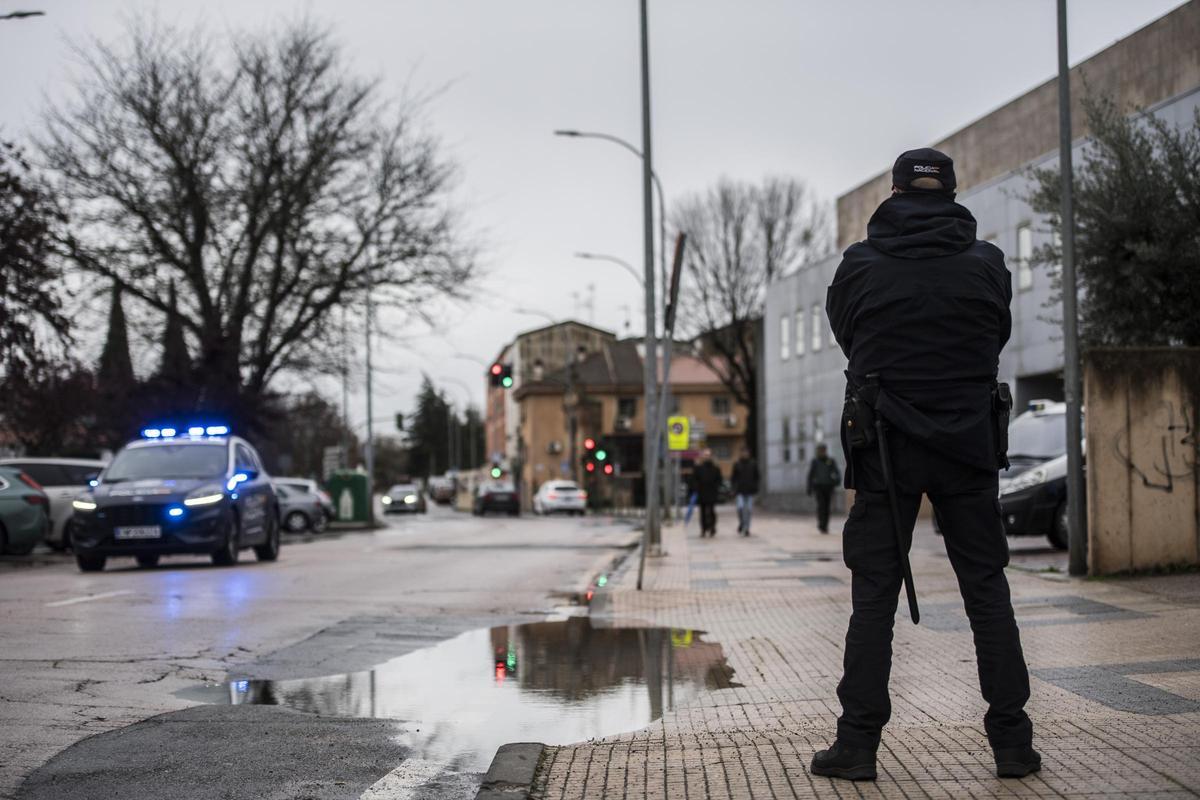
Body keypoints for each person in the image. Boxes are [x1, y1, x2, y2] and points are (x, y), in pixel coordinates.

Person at [811, 148, 1038, 781]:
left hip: (886, 444)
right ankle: (1013, 745)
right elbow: (996, 335)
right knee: (986, 590)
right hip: (968, 443)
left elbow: (847, 337)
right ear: (952, 195)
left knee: (873, 598)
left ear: (894, 193)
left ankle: (857, 745)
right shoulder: (987, 263)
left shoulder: (858, 265)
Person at [806, 444, 840, 533]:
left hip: (828, 487)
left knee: (827, 507)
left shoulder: (830, 461)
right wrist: (809, 488)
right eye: (820, 450)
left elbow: (836, 472)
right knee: (821, 506)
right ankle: (821, 524)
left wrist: (836, 481)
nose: (821, 452)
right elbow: (810, 475)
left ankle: (825, 525)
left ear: (825, 450)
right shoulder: (815, 461)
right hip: (818, 487)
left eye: (823, 450)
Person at [691, 449, 723, 538]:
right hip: (702, 492)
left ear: (711, 456)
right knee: (702, 512)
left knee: (711, 510)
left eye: (708, 455)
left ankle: (712, 527)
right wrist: (696, 488)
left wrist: (716, 488)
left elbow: (719, 480)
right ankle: (703, 529)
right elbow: (694, 479)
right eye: (705, 455)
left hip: (712, 492)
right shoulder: (698, 468)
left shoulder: (715, 468)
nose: (707, 457)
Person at [730, 447, 760, 536]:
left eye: (746, 452)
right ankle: (742, 523)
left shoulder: (753, 464)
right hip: (740, 491)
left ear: (748, 453)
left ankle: (746, 528)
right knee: (740, 508)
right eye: (743, 452)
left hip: (750, 491)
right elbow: (733, 478)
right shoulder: (737, 464)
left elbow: (757, 476)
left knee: (749, 510)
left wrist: (755, 486)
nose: (745, 454)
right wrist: (734, 488)